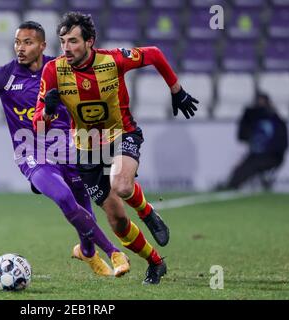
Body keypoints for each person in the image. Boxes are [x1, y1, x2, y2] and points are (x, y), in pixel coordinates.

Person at [33, 12, 199, 284]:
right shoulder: (53, 71)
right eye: (63, 41)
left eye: (73, 41)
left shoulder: (112, 60)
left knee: (122, 185)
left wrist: (176, 89)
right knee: (117, 221)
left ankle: (148, 213)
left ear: (90, 42)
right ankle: (155, 262)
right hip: (86, 149)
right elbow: (38, 122)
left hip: (122, 134)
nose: (66, 48)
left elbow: (155, 54)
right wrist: (48, 112)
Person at [0, 21, 131, 278]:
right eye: (17, 42)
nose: (20, 48)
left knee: (84, 206)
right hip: (32, 153)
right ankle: (114, 252)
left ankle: (86, 251)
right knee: (64, 199)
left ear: (42, 45)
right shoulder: (4, 76)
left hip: (69, 149)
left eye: (27, 42)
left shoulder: (60, 69)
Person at [221, 92, 289, 190]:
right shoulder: (252, 118)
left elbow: (283, 143)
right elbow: (242, 136)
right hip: (256, 155)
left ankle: (232, 186)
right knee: (242, 168)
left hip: (272, 156)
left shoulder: (276, 120)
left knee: (251, 166)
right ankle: (231, 186)